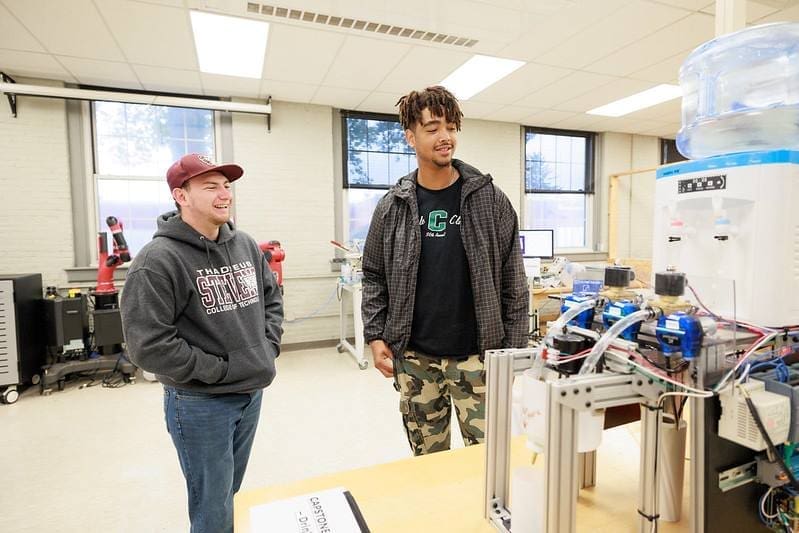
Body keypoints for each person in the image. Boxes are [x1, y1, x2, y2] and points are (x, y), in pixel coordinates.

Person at [361, 86, 529, 455]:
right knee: (427, 461)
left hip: (479, 358)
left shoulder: (490, 199)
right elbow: (373, 274)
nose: (445, 137)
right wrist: (375, 336)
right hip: (416, 359)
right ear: (411, 136)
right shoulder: (392, 206)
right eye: (433, 128)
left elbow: (514, 281)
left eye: (451, 127)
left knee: (491, 460)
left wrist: (515, 354)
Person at [120, 153, 284, 533]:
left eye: (226, 185)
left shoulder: (244, 245)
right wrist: (219, 370)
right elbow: (148, 345)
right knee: (212, 506)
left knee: (229, 493)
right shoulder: (157, 261)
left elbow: (271, 299)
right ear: (181, 195)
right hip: (200, 403)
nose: (224, 194)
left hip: (251, 391)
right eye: (211, 186)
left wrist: (267, 347)